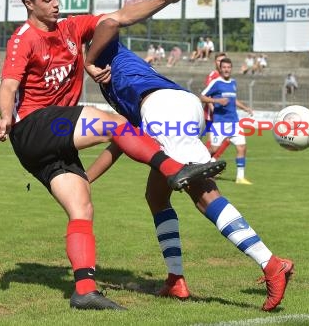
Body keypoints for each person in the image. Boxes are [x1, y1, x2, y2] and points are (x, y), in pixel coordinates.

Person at [0, 0, 224, 311]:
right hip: (35, 127)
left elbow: (121, 17)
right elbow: (9, 85)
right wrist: (5, 117)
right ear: (29, 4)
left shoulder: (71, 27)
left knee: (81, 207)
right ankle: (174, 169)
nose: (56, 4)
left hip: (55, 141)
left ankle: (84, 290)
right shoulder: (23, 39)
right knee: (114, 124)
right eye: (47, 0)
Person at [83, 18, 294, 312]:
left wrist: (87, 60)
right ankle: (176, 280)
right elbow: (122, 141)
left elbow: (108, 23)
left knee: (205, 196)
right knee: (156, 197)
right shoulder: (111, 76)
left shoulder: (100, 51)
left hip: (165, 109)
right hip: (176, 106)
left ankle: (271, 264)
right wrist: (85, 178)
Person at [201, 58, 254, 185]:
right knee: (213, 149)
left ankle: (240, 177)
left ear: (231, 68)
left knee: (242, 147)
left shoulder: (233, 83)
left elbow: (233, 100)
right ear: (220, 68)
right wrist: (217, 101)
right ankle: (199, 167)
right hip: (220, 123)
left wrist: (245, 108)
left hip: (234, 122)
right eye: (224, 67)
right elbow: (202, 96)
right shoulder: (216, 83)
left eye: (228, 67)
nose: (226, 70)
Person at [203, 52, 231, 161]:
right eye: (219, 61)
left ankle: (209, 162)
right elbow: (208, 95)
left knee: (226, 138)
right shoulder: (213, 75)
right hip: (212, 114)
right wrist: (213, 109)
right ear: (215, 62)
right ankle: (202, 163)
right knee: (216, 142)